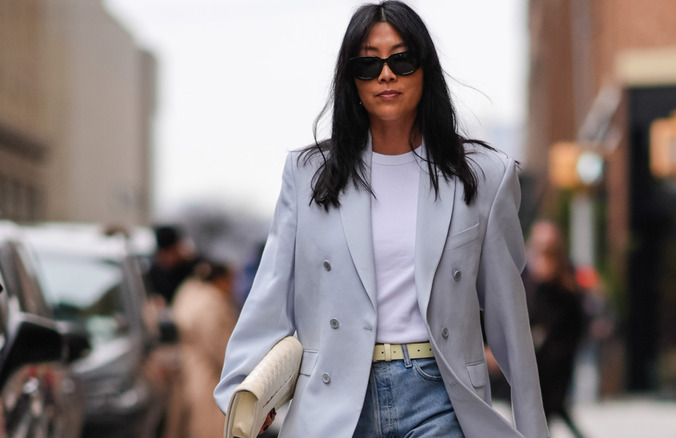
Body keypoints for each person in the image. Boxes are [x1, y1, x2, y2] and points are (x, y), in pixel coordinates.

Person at [214, 2, 547, 437]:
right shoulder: (309, 174)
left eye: (402, 60)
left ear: (425, 69)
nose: (386, 74)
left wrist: (533, 426)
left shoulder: (484, 175)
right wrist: (242, 391)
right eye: (368, 64)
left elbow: (508, 316)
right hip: (335, 397)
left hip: (442, 395)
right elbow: (272, 291)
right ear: (351, 78)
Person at [525, 221, 587, 438]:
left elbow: (572, 318)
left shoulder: (566, 276)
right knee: (541, 410)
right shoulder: (526, 272)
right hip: (535, 357)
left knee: (550, 406)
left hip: (556, 357)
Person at [165, 261, 238, 438]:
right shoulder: (211, 303)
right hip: (207, 374)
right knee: (206, 428)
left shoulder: (188, 290)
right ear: (221, 278)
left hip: (185, 370)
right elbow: (222, 349)